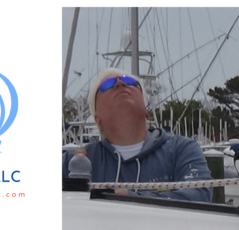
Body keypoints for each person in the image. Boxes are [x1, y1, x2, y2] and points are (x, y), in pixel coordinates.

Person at [62, 68, 211, 202]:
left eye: (129, 81)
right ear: (97, 118)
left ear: (146, 109)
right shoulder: (73, 161)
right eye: (107, 85)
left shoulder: (182, 150)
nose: (120, 84)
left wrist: (131, 198)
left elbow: (199, 196)